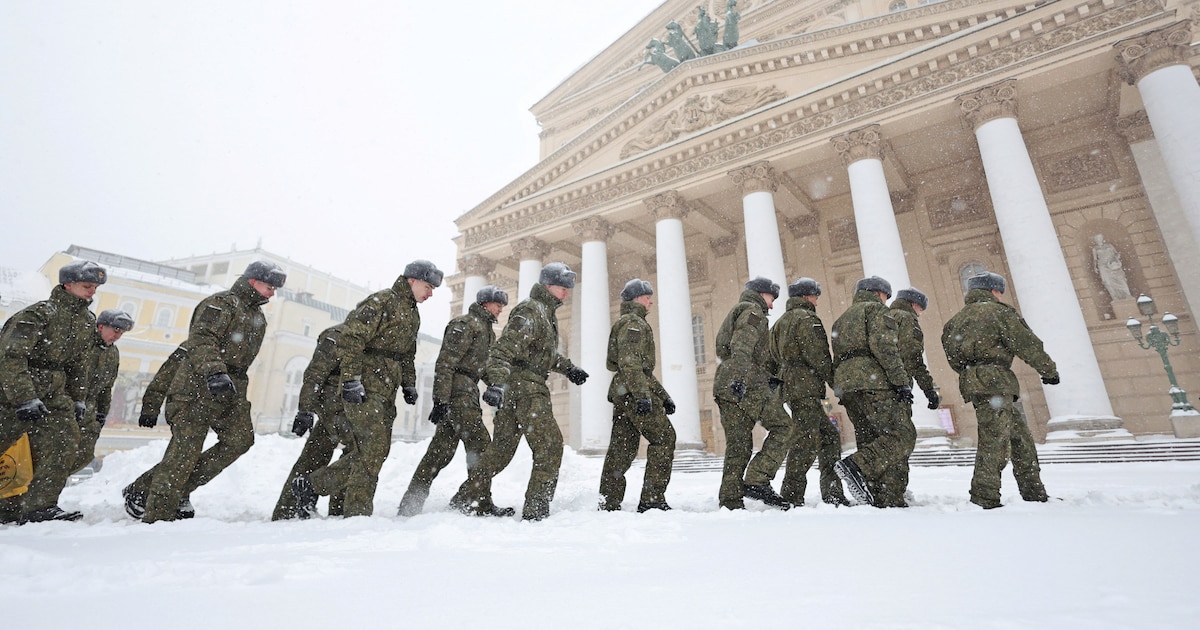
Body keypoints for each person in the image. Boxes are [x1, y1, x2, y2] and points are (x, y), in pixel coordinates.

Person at [123, 260, 286, 523]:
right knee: (183, 453)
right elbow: (201, 340)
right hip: (197, 388)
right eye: (269, 287)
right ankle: (159, 516)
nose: (272, 293)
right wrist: (214, 371)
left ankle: (152, 488)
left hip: (230, 390)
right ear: (253, 282)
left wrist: (230, 382)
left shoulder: (256, 315)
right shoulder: (222, 303)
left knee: (240, 440)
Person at [292, 260, 441, 518]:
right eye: (427, 287)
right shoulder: (381, 301)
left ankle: (342, 506)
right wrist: (350, 379)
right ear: (412, 281)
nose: (430, 293)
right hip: (365, 386)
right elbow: (351, 338)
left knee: (375, 451)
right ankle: (331, 496)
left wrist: (408, 383)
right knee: (370, 450)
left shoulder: (412, 313)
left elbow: (407, 354)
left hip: (386, 390)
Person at [449, 263, 589, 521]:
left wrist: (568, 369)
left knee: (500, 452)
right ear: (548, 286)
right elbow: (504, 350)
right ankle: (536, 511)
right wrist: (497, 384)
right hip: (526, 389)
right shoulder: (531, 310)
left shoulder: (545, 312)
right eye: (563, 287)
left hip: (518, 388)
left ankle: (464, 498)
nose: (567, 292)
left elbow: (541, 355)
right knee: (549, 447)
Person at [0, 259, 106, 524]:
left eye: (94, 287)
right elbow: (10, 357)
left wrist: (78, 399)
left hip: (54, 395)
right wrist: (24, 397)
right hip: (14, 393)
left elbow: (79, 365)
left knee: (64, 441)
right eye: (87, 286)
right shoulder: (39, 314)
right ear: (67, 284)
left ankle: (39, 506)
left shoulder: (86, 321)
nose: (92, 292)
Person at [941, 272, 1058, 509]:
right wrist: (1048, 370)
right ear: (993, 290)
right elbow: (1027, 343)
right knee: (994, 439)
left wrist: (973, 372)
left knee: (1020, 438)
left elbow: (952, 357)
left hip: (974, 381)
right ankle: (984, 496)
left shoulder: (955, 321)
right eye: (1000, 290)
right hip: (996, 380)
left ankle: (1034, 491)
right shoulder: (1000, 313)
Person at [396, 285, 508, 517]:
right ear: (485, 303)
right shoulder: (465, 325)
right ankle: (475, 503)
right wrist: (441, 400)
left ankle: (411, 504)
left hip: (466, 392)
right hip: (458, 394)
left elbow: (483, 367)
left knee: (439, 453)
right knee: (481, 446)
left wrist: (494, 385)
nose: (500, 309)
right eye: (498, 304)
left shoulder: (487, 331)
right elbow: (446, 363)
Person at [830, 276, 913, 507]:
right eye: (886, 297)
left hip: (848, 386)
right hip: (873, 382)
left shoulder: (841, 319)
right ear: (879, 294)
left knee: (869, 438)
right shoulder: (876, 311)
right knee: (902, 435)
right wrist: (901, 381)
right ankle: (856, 465)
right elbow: (884, 347)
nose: (886, 302)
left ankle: (880, 496)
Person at [713, 276, 794, 510]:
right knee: (784, 427)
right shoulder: (753, 312)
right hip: (744, 384)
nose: (772, 304)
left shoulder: (740, 310)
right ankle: (758, 479)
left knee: (739, 444)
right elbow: (742, 345)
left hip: (729, 382)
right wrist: (740, 379)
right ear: (761, 294)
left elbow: (726, 348)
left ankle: (730, 501)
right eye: (771, 298)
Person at [598, 279, 676, 513]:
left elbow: (638, 369)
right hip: (633, 390)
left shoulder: (630, 322)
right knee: (664, 438)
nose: (651, 301)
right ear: (636, 299)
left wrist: (663, 396)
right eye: (647, 296)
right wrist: (643, 396)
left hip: (626, 390)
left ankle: (609, 501)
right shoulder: (634, 323)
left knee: (621, 448)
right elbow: (631, 363)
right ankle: (652, 499)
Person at [770, 277, 848, 507]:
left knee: (828, 437)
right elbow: (819, 356)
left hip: (792, 387)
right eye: (815, 296)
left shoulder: (780, 323)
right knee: (805, 440)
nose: (817, 300)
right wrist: (837, 385)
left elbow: (771, 358)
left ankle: (832, 492)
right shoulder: (807, 319)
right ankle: (792, 494)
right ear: (806, 297)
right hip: (805, 387)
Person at [270, 323, 350, 520]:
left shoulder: (365, 337)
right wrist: (305, 409)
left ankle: (289, 510)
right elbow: (315, 373)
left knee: (314, 455)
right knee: (359, 451)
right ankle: (308, 497)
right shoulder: (336, 335)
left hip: (345, 408)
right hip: (332, 407)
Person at [875, 287, 941, 507]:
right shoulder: (906, 319)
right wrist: (929, 389)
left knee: (885, 436)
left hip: (877, 386)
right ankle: (892, 493)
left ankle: (879, 488)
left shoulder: (883, 316)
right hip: (897, 386)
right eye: (920, 309)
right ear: (914, 304)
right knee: (903, 437)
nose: (920, 314)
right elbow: (913, 358)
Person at [71, 309, 135, 476]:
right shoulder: (83, 344)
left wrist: (101, 413)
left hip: (89, 413)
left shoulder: (112, 353)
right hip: (68, 406)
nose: (118, 336)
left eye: (121, 333)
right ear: (100, 326)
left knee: (82, 456)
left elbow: (106, 388)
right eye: (115, 331)